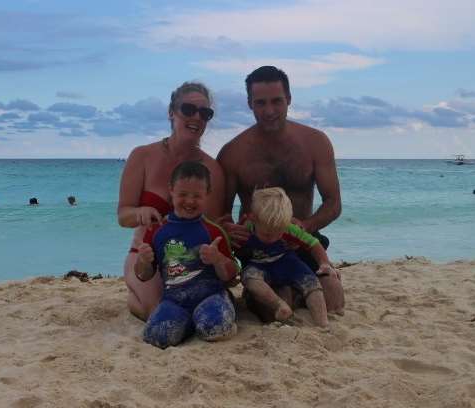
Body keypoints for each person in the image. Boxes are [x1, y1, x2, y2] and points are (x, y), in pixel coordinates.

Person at [217, 65, 344, 316]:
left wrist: (306, 226)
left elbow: (333, 203)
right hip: (258, 249)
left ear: (289, 99)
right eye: (260, 103)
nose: (269, 111)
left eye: (277, 101)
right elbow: (221, 214)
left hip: (302, 243)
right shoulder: (233, 153)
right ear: (250, 103)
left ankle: (296, 290)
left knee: (333, 301)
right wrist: (230, 231)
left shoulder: (315, 142)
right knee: (268, 310)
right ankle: (286, 293)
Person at [118, 81, 226, 321]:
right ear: (171, 112)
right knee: (157, 312)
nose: (197, 117)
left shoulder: (212, 169)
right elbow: (123, 216)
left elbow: (215, 225)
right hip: (148, 256)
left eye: (205, 113)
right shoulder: (142, 156)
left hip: (193, 259)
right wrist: (141, 212)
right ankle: (137, 299)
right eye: (188, 110)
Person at [135, 161, 238, 349]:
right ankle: (190, 323)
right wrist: (143, 261)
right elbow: (143, 275)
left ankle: (216, 311)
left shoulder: (213, 231)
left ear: (207, 194)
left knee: (215, 329)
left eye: (197, 196)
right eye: (183, 194)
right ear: (171, 190)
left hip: (210, 295)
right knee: (156, 337)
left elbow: (231, 275)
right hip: (174, 300)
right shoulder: (156, 231)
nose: (189, 201)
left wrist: (218, 260)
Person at [238, 187, 340, 328]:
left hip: (288, 263)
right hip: (260, 266)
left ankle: (322, 322)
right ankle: (280, 305)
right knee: (249, 278)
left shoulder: (287, 227)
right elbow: (234, 248)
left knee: (312, 284)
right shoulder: (246, 228)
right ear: (253, 218)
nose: (272, 238)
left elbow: (313, 243)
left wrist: (324, 263)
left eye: (278, 233)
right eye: (267, 234)